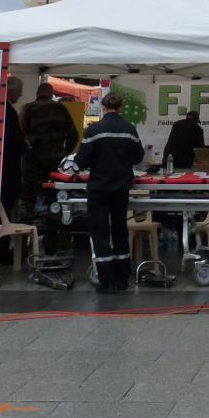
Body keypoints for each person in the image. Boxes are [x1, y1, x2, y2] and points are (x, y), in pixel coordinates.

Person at [75, 91, 144, 293]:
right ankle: (122, 277)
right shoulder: (129, 129)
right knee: (120, 229)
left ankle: (106, 279)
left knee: (100, 231)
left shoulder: (93, 130)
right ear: (120, 108)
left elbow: (81, 160)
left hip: (98, 187)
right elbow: (138, 157)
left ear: (103, 108)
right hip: (121, 187)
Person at [21, 82, 80, 224]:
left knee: (29, 199)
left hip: (34, 161)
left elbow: (21, 133)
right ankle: (53, 236)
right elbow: (74, 135)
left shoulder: (28, 109)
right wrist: (65, 154)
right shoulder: (61, 108)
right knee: (55, 199)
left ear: (37, 94)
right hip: (56, 162)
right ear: (51, 93)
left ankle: (26, 234)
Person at [0, 76, 26, 220]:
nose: (21, 95)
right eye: (19, 91)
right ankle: (3, 241)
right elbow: (14, 141)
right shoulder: (9, 112)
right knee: (6, 208)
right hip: (8, 169)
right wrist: (24, 146)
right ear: (10, 91)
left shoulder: (5, 109)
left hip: (6, 168)